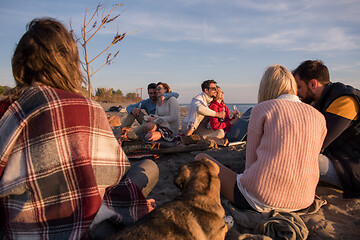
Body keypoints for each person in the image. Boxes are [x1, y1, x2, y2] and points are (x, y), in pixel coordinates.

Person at [0, 18, 159, 239]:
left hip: (19, 230)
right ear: (69, 63)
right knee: (149, 167)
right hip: (82, 227)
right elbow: (113, 175)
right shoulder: (87, 108)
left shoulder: (9, 108)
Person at [195, 64, 327, 213]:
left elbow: (250, 164)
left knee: (201, 158)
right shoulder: (319, 117)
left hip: (261, 198)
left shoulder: (263, 109)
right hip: (304, 200)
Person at [293, 60, 360, 198]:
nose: (297, 93)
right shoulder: (322, 101)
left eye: (299, 87)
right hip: (339, 158)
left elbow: (318, 143)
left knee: (300, 157)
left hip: (351, 168)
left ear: (313, 84)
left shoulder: (345, 100)